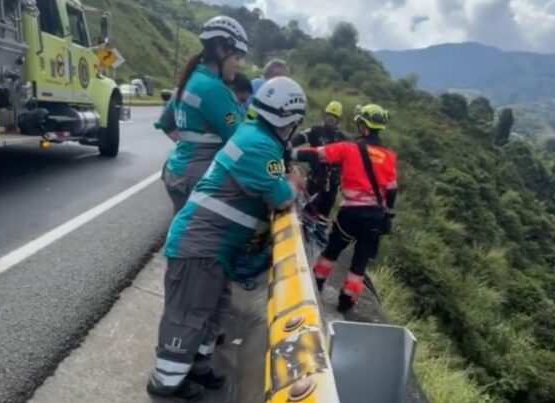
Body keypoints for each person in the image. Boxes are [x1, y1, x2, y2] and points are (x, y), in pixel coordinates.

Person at [147, 76, 307, 400]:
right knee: (188, 315)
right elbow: (280, 196)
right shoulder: (259, 146)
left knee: (214, 311)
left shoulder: (254, 136)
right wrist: (293, 182)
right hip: (200, 246)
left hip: (214, 248)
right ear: (288, 121)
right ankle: (165, 382)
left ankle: (198, 368)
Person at [291, 104, 398, 313]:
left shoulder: (349, 148)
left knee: (332, 251)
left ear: (363, 126)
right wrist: (388, 214)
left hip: (351, 213)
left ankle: (317, 284)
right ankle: (347, 301)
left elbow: (317, 154)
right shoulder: (389, 156)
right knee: (361, 260)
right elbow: (392, 189)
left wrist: (290, 154)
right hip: (375, 216)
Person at [154, 15, 249, 213]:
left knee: (182, 231)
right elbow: (239, 140)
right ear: (222, 48)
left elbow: (166, 122)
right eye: (237, 57)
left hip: (175, 174)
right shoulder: (214, 90)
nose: (238, 65)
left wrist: (190, 146)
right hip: (198, 181)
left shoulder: (190, 80)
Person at [290, 101, 347, 244]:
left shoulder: (343, 139)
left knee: (325, 208)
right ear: (325, 115)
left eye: (334, 117)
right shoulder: (316, 131)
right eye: (329, 116)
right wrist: (287, 147)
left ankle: (317, 233)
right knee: (311, 205)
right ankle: (302, 232)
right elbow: (299, 138)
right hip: (316, 176)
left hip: (333, 180)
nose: (330, 120)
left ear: (338, 120)